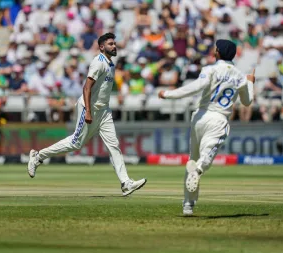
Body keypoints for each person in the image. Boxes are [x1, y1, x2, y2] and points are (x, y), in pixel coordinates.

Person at [27, 33, 147, 196]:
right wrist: (88, 111)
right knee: (76, 143)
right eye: (111, 44)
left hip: (104, 111)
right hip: (89, 108)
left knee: (114, 146)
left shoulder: (111, 64)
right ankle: (38, 156)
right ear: (102, 47)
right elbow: (86, 87)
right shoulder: (98, 62)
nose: (114, 46)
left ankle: (126, 183)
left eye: (115, 43)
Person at [158, 40, 255, 216]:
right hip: (219, 118)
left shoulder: (210, 69)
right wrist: (250, 83)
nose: (214, 50)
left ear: (219, 52)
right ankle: (200, 170)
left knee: (192, 159)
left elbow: (196, 87)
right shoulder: (241, 76)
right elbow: (247, 102)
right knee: (203, 159)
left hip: (200, 117)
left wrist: (168, 94)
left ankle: (188, 205)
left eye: (216, 48)